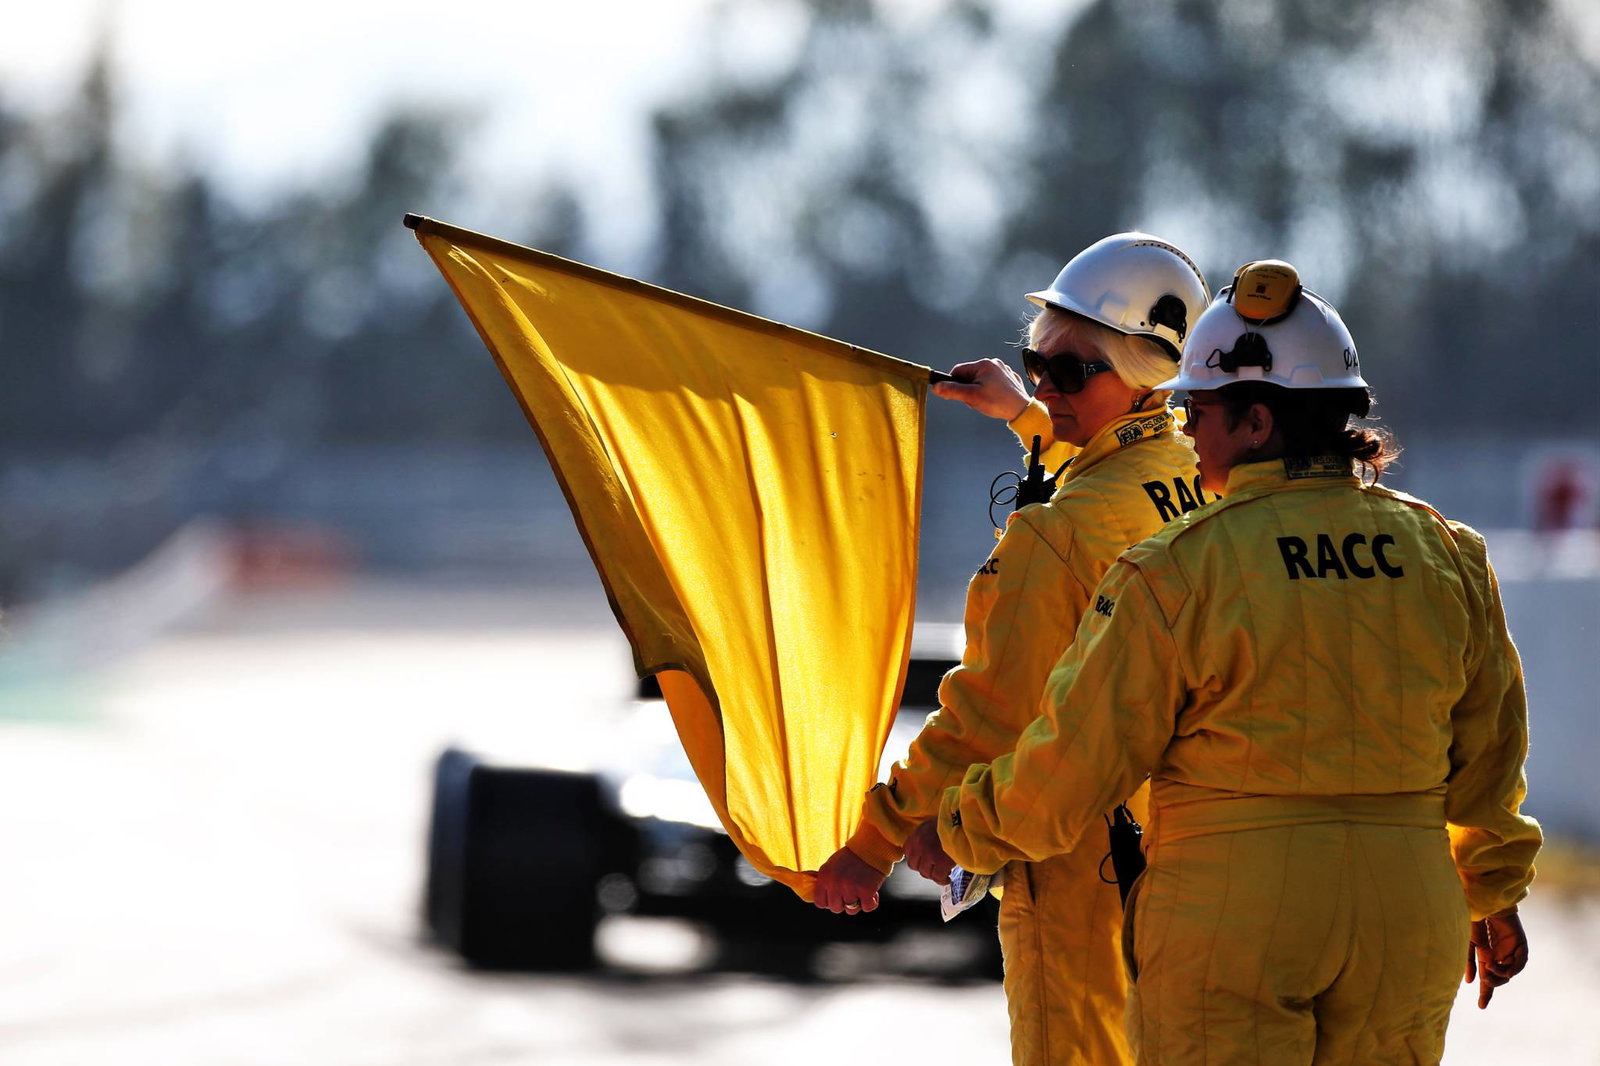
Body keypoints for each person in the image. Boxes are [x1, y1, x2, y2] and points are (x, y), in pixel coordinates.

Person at [908, 260, 1542, 1065]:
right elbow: (1490, 753)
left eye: (1198, 412)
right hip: (1406, 921)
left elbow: (1078, 759)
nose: (1187, 430)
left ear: (1256, 424)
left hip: (1234, 921)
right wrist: (1491, 891)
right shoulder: (1447, 553)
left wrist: (962, 826)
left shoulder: (1177, 568)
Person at [811, 232, 1212, 1066]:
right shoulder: (1202, 477)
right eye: (1037, 364)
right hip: (1204, 854)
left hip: (1083, 870)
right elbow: (1115, 470)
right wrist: (1028, 415)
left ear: (1142, 375)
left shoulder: (1054, 536)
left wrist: (874, 843)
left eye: (1071, 371)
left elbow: (988, 714)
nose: (1047, 386)